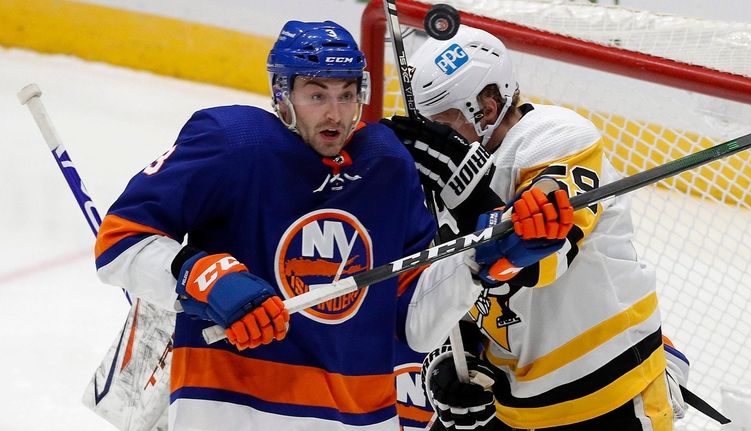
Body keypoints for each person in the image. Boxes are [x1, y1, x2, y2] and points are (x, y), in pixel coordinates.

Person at [92, 20, 512, 431]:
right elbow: (120, 242)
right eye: (317, 94)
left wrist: (477, 263)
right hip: (231, 411)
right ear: (282, 95)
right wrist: (203, 277)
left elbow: (414, 322)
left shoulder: (387, 165)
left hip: (359, 416)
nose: (335, 113)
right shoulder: (233, 143)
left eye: (347, 95)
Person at [386, 25, 692, 430]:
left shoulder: (557, 137)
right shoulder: (445, 175)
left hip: (611, 393)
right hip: (515, 404)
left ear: (487, 106)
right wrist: (454, 353)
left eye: (444, 122)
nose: (435, 138)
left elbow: (542, 255)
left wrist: (467, 190)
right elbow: (461, 278)